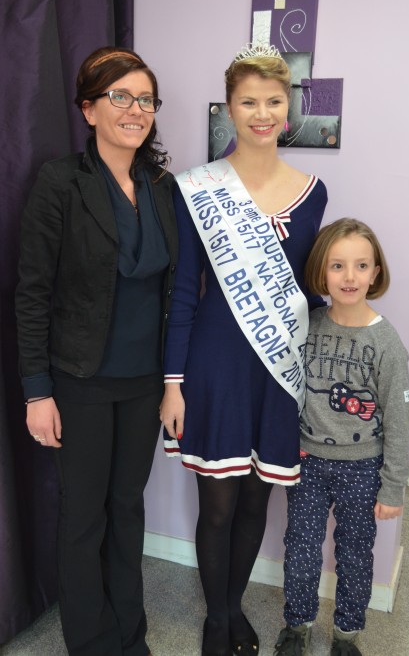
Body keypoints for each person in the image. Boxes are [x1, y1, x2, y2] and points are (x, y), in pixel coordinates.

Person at [159, 43, 328, 656]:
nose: (261, 113)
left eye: (273, 102)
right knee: (220, 503)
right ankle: (219, 618)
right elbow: (182, 289)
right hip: (214, 363)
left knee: (259, 496)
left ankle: (232, 609)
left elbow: (309, 291)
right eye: (248, 101)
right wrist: (173, 382)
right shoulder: (197, 188)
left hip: (279, 366)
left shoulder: (313, 192)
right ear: (228, 109)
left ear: (289, 110)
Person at [15, 46, 178, 656]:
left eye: (145, 99)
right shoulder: (60, 182)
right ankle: (91, 643)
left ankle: (129, 639)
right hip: (79, 380)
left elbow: (175, 292)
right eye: (120, 97)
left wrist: (173, 384)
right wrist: (38, 390)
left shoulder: (162, 186)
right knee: (83, 521)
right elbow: (32, 293)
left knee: (127, 510)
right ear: (88, 109)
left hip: (144, 382)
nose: (135, 110)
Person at [273, 218, 409, 656]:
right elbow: (287, 390)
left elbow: (398, 420)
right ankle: (297, 626)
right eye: (337, 266)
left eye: (360, 265)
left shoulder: (386, 343)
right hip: (308, 463)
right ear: (321, 272)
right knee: (300, 549)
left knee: (354, 555)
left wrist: (393, 486)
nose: (349, 277)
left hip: (363, 467)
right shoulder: (307, 325)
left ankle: (347, 635)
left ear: (375, 272)